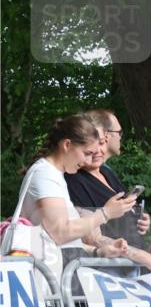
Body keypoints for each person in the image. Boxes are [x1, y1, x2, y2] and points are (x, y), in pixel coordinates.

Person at [12, 115, 139, 268]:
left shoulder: (53, 174)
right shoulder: (45, 175)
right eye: (86, 153)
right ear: (67, 145)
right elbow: (60, 233)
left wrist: (98, 252)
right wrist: (106, 213)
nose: (87, 161)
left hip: (55, 274)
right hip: (47, 281)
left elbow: (59, 240)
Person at [65, 109, 151, 246]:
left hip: (130, 261)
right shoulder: (72, 179)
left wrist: (139, 220)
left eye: (101, 143)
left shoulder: (106, 171)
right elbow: (86, 235)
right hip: (107, 262)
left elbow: (121, 213)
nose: (97, 150)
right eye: (90, 145)